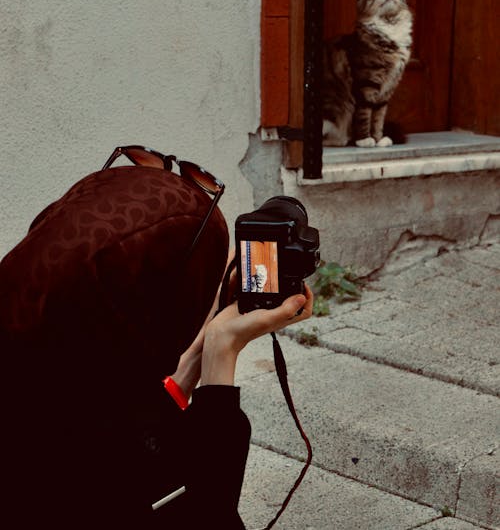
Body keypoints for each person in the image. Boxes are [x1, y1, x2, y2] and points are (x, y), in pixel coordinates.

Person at [0, 150, 312, 529]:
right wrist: (222, 352)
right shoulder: (100, 454)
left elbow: (133, 411)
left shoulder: (48, 364)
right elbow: (209, 514)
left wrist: (200, 349)